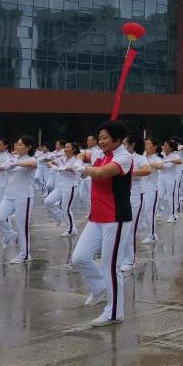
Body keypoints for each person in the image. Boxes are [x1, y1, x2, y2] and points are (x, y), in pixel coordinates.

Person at [72, 120, 134, 326]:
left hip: (115, 218)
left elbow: (100, 173)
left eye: (105, 138)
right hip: (96, 216)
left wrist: (82, 168)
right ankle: (99, 287)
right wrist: (80, 159)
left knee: (110, 265)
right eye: (99, 138)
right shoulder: (100, 153)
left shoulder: (124, 157)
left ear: (118, 139)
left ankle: (115, 312)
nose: (101, 142)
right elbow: (83, 153)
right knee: (79, 257)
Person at [0, 136, 39, 263]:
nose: (17, 147)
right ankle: (9, 233)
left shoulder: (31, 158)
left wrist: (15, 164)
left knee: (21, 226)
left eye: (21, 145)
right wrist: (7, 165)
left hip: (24, 196)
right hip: (9, 195)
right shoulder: (12, 158)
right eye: (17, 144)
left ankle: (25, 255)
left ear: (29, 147)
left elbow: (32, 164)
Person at [118, 133, 153, 273]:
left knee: (130, 228)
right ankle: (123, 257)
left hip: (136, 195)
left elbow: (147, 170)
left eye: (126, 143)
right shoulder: (122, 157)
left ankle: (130, 260)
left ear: (132, 145)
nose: (124, 145)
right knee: (121, 228)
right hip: (123, 195)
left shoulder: (140, 158)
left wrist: (130, 172)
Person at [46, 141, 83, 236]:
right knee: (48, 201)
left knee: (66, 208)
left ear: (74, 149)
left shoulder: (76, 159)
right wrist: (52, 166)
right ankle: (58, 216)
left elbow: (74, 169)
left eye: (68, 147)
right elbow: (49, 162)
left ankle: (71, 230)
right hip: (60, 186)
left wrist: (64, 168)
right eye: (65, 147)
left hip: (70, 187)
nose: (65, 149)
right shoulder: (62, 158)